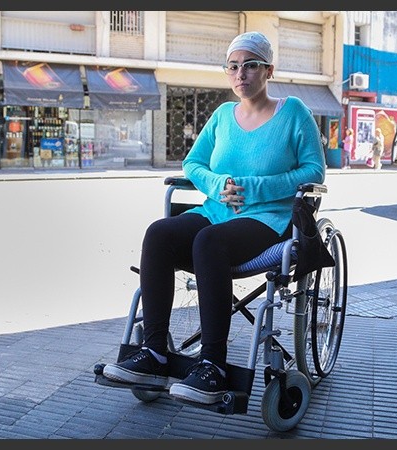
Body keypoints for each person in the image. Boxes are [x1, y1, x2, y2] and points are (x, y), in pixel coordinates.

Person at [102, 31, 326, 405]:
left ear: (269, 70)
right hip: (215, 210)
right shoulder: (223, 116)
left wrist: (257, 188)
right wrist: (217, 181)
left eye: (250, 65)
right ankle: (155, 353)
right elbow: (193, 163)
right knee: (159, 233)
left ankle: (213, 366)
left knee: (209, 241)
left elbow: (314, 172)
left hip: (268, 219)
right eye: (233, 67)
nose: (241, 74)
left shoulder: (294, 113)